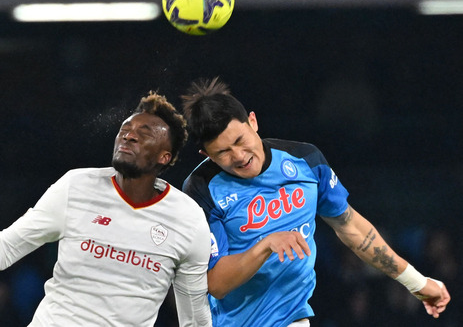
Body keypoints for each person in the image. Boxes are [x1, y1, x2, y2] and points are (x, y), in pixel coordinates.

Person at [0, 92, 212, 327]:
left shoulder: (187, 218)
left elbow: (195, 319)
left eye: (144, 132)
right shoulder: (76, 186)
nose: (129, 136)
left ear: (165, 156)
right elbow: (1, 252)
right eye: (125, 129)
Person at [180, 78, 451, 327]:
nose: (238, 156)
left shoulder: (305, 160)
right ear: (207, 154)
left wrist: (416, 282)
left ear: (253, 121)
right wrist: (264, 246)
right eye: (223, 152)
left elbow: (352, 229)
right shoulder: (201, 188)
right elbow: (216, 283)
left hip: (293, 319)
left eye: (240, 141)